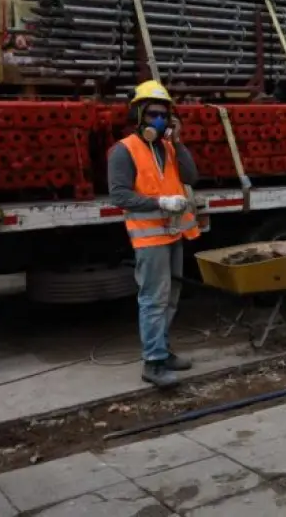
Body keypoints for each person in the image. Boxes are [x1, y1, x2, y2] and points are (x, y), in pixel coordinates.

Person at [108, 80, 201, 388]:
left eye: (164, 115)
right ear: (138, 116)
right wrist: (160, 202)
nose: (159, 121)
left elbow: (191, 176)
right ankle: (153, 362)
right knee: (153, 299)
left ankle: (163, 350)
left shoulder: (169, 148)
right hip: (150, 239)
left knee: (171, 298)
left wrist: (179, 141)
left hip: (174, 234)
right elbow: (119, 195)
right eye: (153, 115)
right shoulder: (124, 150)